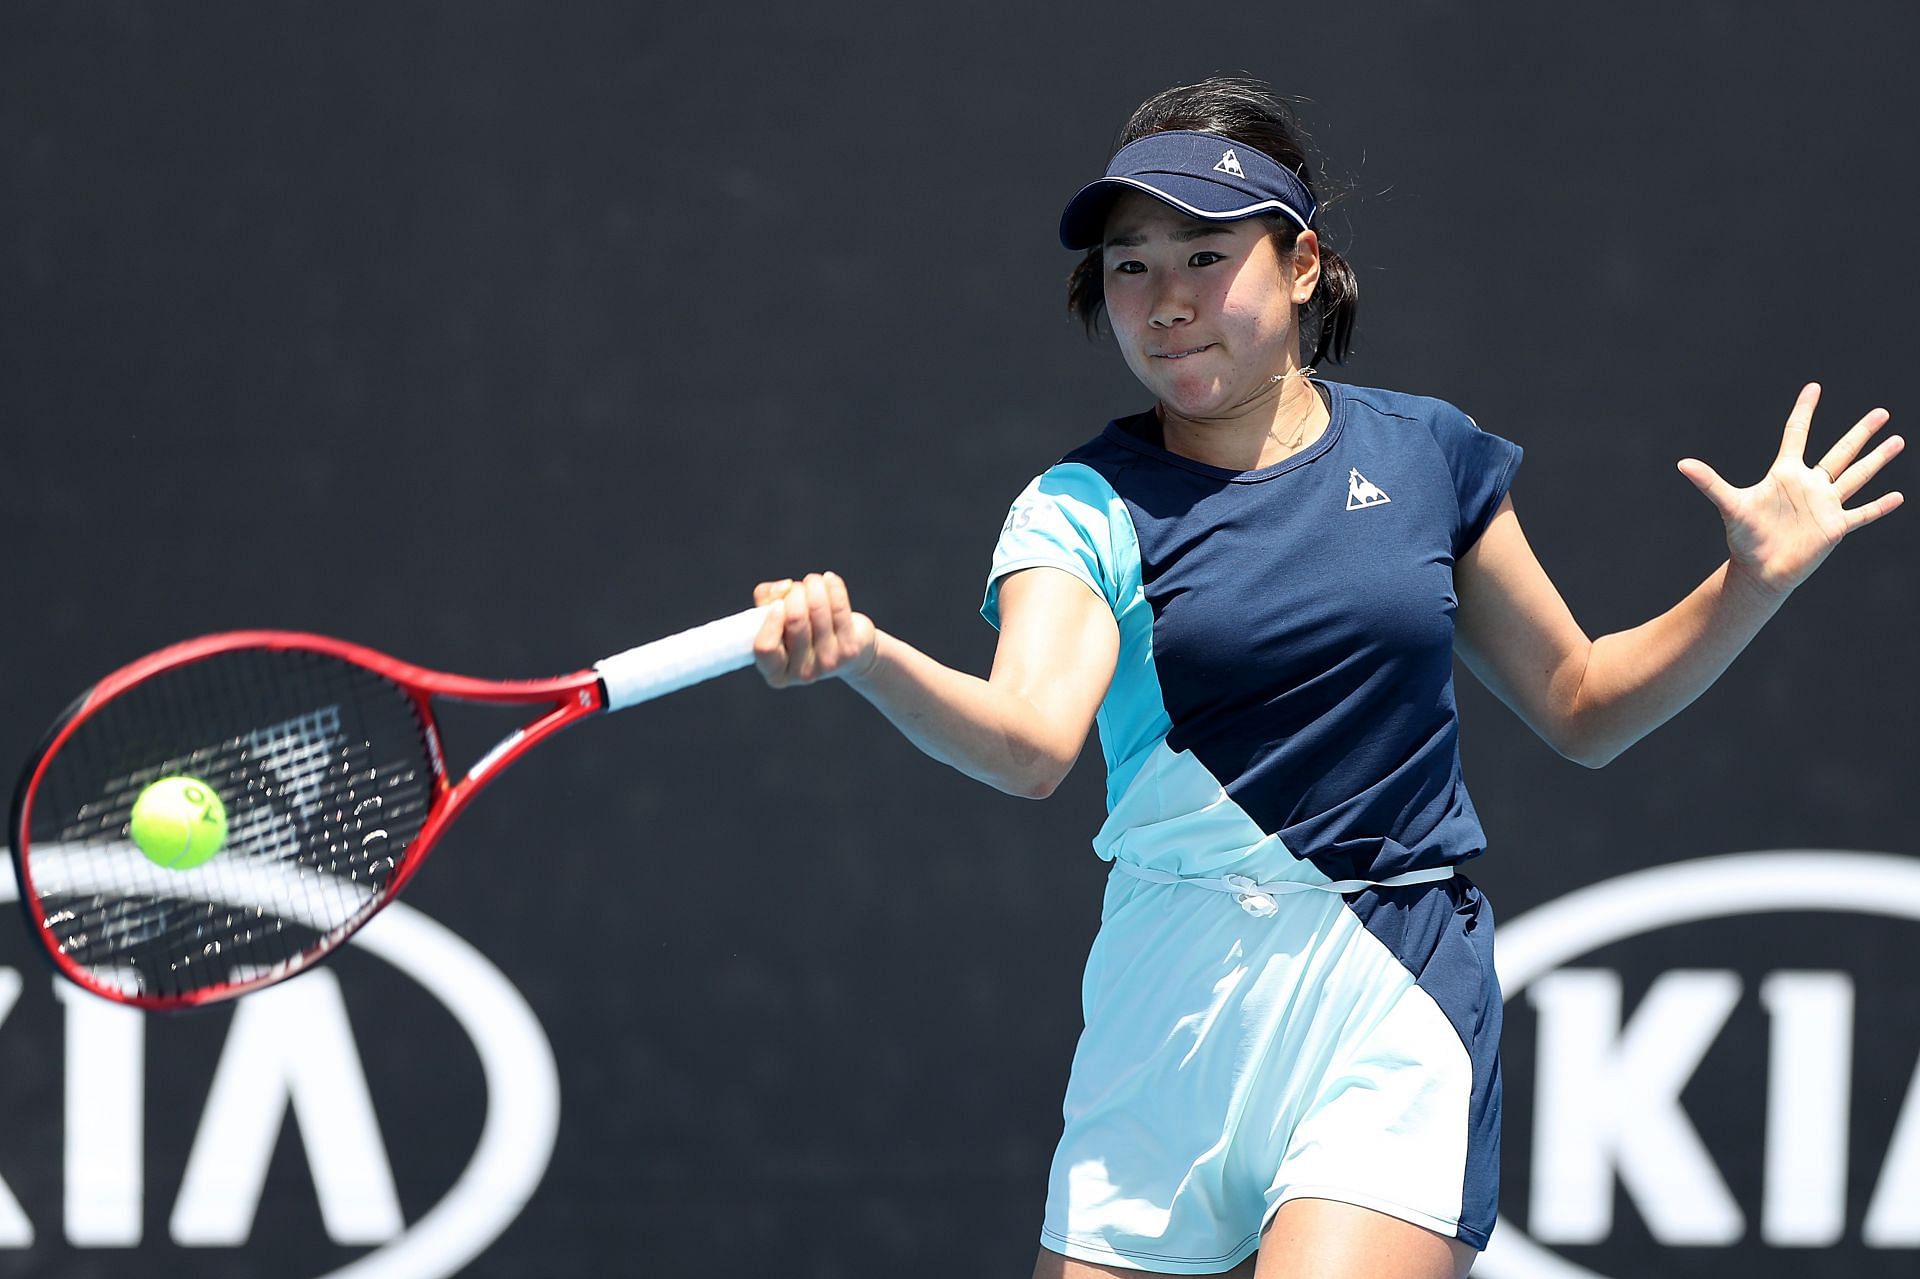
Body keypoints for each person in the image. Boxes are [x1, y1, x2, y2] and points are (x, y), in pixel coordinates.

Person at [750, 77, 1903, 1279]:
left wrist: (1749, 584)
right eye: (1130, 265)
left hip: (1388, 980)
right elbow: (1030, 740)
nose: (1165, 299)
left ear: (1300, 264)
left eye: (1205, 253)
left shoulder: (1428, 457)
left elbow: (1582, 703)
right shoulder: (1078, 507)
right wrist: (868, 658)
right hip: (1170, 1001)